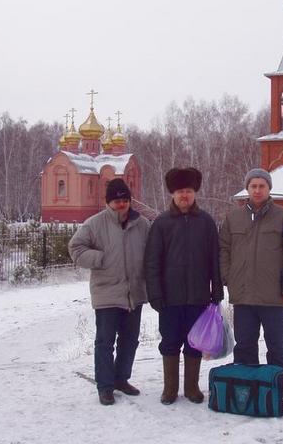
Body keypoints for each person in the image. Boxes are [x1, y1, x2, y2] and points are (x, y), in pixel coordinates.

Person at [144, 167, 224, 405]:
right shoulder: (161, 223)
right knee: (169, 342)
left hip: (199, 297)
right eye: (180, 191)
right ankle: (170, 389)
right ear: (173, 194)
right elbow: (152, 262)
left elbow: (215, 258)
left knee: (194, 343)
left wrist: (216, 290)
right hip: (170, 298)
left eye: (188, 191)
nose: (184, 196)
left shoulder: (206, 222)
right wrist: (155, 294)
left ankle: (191, 388)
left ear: (195, 193)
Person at [68, 178, 150, 406]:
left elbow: (153, 251)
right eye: (117, 201)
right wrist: (100, 258)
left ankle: (121, 379)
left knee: (130, 340)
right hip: (107, 293)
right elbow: (75, 248)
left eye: (125, 200)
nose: (122, 204)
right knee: (105, 342)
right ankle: (105, 386)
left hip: (134, 293)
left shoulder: (142, 224)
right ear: (109, 202)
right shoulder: (94, 224)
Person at [219, 168, 283, 370]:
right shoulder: (233, 219)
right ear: (247, 188)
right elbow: (223, 250)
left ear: (269, 188)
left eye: (261, 186)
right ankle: (246, 394)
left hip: (274, 296)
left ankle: (281, 392)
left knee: (277, 348)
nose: (257, 190)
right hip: (243, 298)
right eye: (253, 186)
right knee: (245, 348)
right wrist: (228, 278)